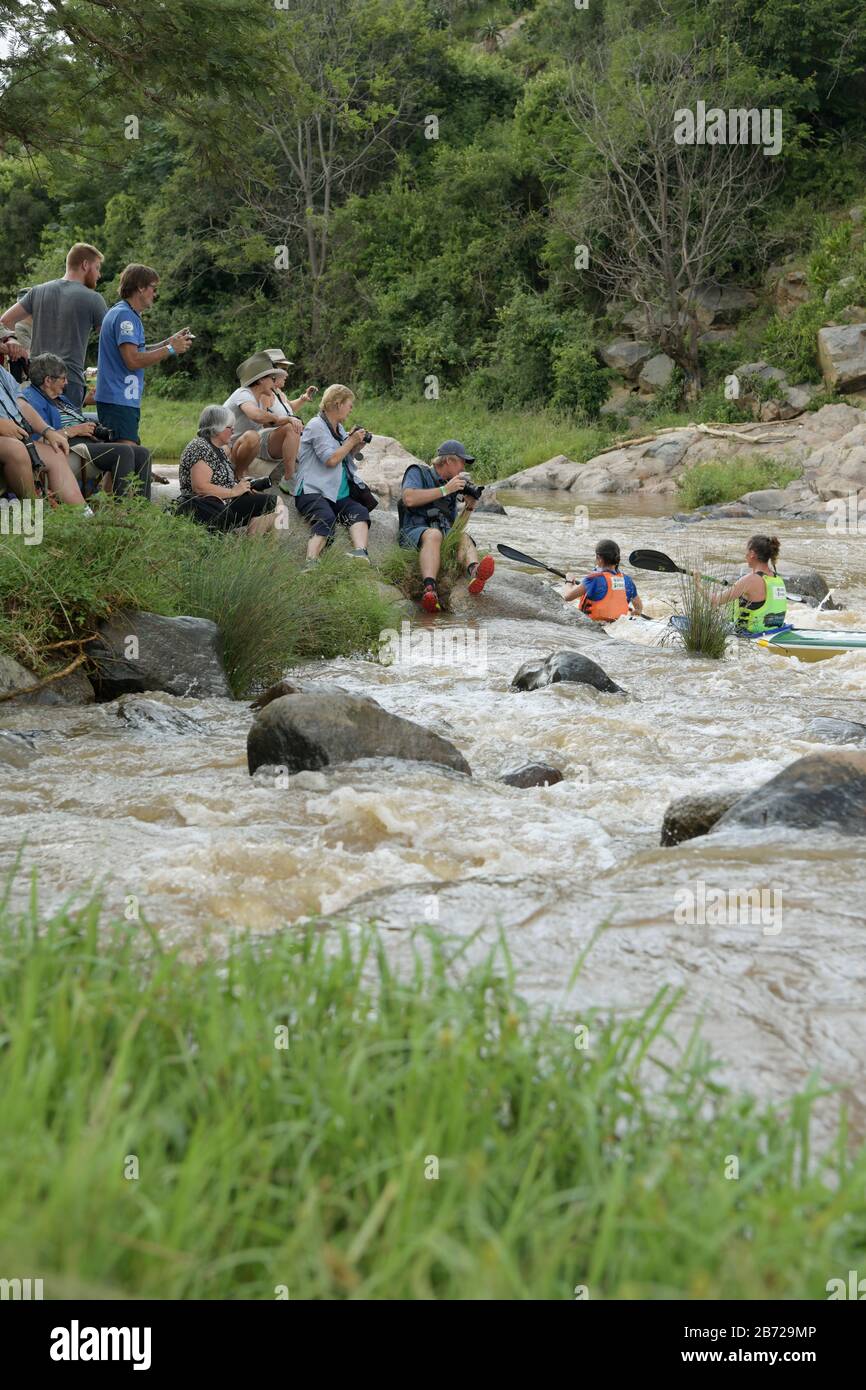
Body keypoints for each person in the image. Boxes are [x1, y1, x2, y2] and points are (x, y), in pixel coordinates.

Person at [21, 353, 159, 499]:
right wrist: (74, 431)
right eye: (63, 378)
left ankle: (142, 508)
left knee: (142, 453)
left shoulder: (60, 398)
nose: (66, 382)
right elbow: (37, 442)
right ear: (48, 380)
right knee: (123, 451)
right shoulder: (32, 401)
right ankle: (122, 511)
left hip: (85, 445)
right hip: (68, 451)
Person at [95, 263, 193, 447]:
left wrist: (167, 342)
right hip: (118, 399)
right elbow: (132, 360)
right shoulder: (125, 316)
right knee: (125, 456)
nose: (155, 294)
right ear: (140, 287)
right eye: (153, 288)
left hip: (122, 400)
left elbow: (136, 351)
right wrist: (171, 349)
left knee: (123, 458)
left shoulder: (126, 313)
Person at [0, 244, 107, 408]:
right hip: (68, 382)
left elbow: (5, 321)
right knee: (69, 431)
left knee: (40, 432)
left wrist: (12, 341)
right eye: (97, 267)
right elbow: (109, 342)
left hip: (37, 382)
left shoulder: (38, 291)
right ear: (85, 265)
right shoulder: (94, 299)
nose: (99, 274)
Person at [398, 440, 494, 613]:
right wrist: (445, 490)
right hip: (414, 532)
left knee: (462, 537)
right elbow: (409, 498)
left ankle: (475, 573)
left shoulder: (451, 486)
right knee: (434, 534)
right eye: (461, 462)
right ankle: (430, 589)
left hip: (441, 534)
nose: (463, 467)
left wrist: (469, 507)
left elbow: (455, 530)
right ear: (449, 461)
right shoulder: (418, 472)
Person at [293, 384, 372, 563]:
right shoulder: (316, 426)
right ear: (338, 403)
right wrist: (350, 442)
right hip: (312, 490)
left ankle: (360, 552)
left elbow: (343, 455)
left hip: (335, 492)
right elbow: (330, 460)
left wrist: (356, 445)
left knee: (359, 511)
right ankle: (311, 561)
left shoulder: (339, 428)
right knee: (326, 518)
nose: (351, 409)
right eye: (349, 404)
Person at [176, 405, 279, 534]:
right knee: (275, 504)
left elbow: (218, 481)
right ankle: (251, 545)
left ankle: (251, 545)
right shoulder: (200, 446)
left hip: (222, 503)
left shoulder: (217, 448)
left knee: (272, 504)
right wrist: (233, 491)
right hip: (210, 508)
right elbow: (200, 488)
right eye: (230, 427)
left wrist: (243, 487)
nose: (233, 430)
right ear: (216, 429)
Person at [0, 358, 87, 506]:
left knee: (55, 453)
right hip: (9, 441)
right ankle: (36, 510)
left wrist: (48, 431)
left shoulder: (2, 372)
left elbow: (21, 404)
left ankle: (83, 516)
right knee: (17, 449)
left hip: (16, 435)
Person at [223, 352, 305, 490]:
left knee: (286, 428)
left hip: (237, 448)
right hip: (225, 449)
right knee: (252, 437)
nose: (275, 383)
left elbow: (269, 422)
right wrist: (278, 418)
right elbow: (255, 415)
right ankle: (237, 477)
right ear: (261, 380)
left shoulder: (259, 398)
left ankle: (288, 477)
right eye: (272, 378)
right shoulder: (243, 393)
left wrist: (290, 420)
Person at [698, 535, 787, 634]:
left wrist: (698, 584)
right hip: (776, 631)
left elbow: (715, 600)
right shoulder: (778, 580)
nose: (745, 555)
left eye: (746, 551)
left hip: (752, 636)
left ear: (752, 554)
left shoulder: (749, 580)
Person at [563, 540, 643, 619]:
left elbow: (567, 597)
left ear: (598, 557)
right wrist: (633, 612)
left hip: (593, 626)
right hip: (616, 625)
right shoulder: (628, 581)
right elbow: (638, 609)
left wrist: (569, 581)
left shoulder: (593, 579)